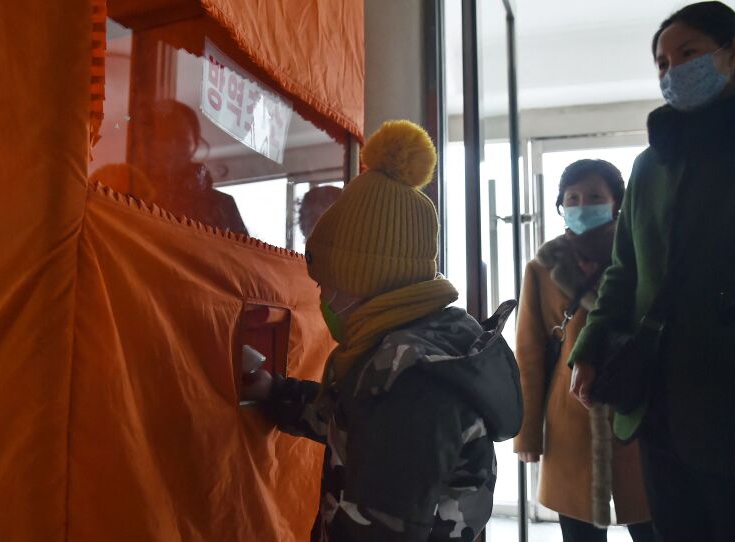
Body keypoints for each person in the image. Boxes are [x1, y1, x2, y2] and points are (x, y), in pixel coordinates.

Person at [568, 3, 735, 541]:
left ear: (733, 53)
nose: (671, 71)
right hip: (658, 414)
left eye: (687, 54)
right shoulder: (650, 166)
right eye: (661, 63)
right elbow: (624, 272)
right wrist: (589, 349)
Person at [241, 120, 523, 541]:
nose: (322, 300)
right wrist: (276, 393)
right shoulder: (419, 347)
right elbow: (349, 418)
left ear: (364, 284)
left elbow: (382, 529)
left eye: (326, 285)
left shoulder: (412, 385)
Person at [513, 160, 653, 542]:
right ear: (560, 205)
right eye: (572, 198)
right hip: (569, 417)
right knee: (579, 531)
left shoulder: (642, 256)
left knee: (652, 522)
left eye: (594, 196)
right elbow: (528, 353)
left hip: (637, 409)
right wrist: (527, 434)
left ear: (616, 203)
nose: (581, 205)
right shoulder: (543, 265)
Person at [132, 99, 248, 235]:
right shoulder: (129, 191)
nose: (171, 148)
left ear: (195, 145)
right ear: (148, 144)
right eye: (164, 138)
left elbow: (239, 254)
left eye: (181, 139)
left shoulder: (223, 206)